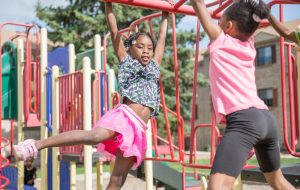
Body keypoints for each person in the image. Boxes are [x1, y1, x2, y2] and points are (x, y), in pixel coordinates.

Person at [13, 2, 168, 189]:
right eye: (141, 47)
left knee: (118, 179)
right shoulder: (127, 62)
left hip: (139, 129)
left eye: (149, 48)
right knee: (95, 136)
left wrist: (166, 15)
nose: (146, 51)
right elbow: (114, 30)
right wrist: (108, 6)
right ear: (130, 49)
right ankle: (35, 145)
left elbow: (162, 38)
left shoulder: (153, 66)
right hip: (125, 117)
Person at [190, 0, 296, 189]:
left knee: (218, 186)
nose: (217, 25)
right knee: (278, 182)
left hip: (244, 120)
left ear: (228, 26)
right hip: (266, 119)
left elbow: (198, 3)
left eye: (220, 21)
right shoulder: (249, 46)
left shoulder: (221, 40)